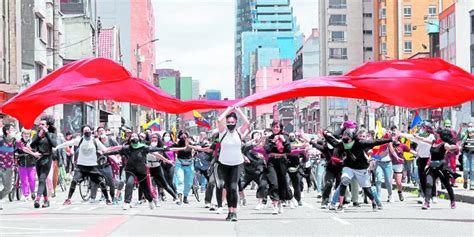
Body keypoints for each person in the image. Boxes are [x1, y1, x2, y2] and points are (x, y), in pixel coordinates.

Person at [324, 126, 392, 213]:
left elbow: (375, 142)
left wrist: (389, 139)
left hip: (361, 168)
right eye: (344, 137)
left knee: (367, 189)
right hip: (348, 167)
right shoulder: (343, 144)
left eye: (347, 138)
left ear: (352, 137)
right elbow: (334, 143)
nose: (345, 140)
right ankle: (340, 205)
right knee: (344, 181)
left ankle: (374, 202)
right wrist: (325, 134)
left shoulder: (360, 143)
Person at [104, 132, 164, 210]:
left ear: (139, 138)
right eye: (132, 136)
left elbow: (154, 150)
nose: (134, 137)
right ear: (130, 139)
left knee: (145, 187)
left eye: (136, 136)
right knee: (129, 183)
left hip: (141, 171)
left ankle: (150, 201)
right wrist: (105, 153)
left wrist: (165, 149)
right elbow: (117, 152)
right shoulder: (127, 148)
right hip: (130, 170)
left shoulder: (143, 147)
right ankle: (127, 202)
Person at [57, 125, 113, 206]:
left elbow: (105, 149)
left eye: (88, 130)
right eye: (85, 130)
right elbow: (67, 143)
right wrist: (56, 147)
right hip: (81, 167)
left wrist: (115, 150)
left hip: (92, 166)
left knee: (101, 182)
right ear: (83, 132)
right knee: (74, 181)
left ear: (91, 131)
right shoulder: (80, 140)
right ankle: (68, 199)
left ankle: (107, 199)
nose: (87, 132)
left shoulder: (95, 141)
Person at [406, 128, 459, 209]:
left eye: (436, 133)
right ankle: (426, 203)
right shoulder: (434, 142)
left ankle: (453, 201)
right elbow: (424, 140)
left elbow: (451, 147)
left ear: (440, 135)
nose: (435, 134)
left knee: (447, 184)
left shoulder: (444, 144)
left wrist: (455, 146)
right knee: (429, 183)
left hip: (441, 167)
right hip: (432, 167)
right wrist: (417, 137)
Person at [214, 106, 249, 221]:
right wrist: (228, 110)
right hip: (224, 163)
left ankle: (234, 212)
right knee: (228, 188)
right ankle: (229, 211)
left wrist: (238, 111)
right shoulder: (222, 132)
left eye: (232, 122)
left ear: (236, 122)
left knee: (234, 187)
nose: (230, 124)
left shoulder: (239, 132)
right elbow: (219, 120)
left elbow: (247, 123)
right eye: (228, 122)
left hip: (237, 163)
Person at [265, 120, 292, 215]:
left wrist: (283, 141)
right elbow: (267, 150)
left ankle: (280, 202)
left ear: (280, 128)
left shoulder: (285, 137)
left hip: (282, 161)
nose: (275, 128)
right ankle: (275, 205)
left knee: (282, 183)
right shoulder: (269, 138)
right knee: (273, 183)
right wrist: (273, 141)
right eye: (274, 127)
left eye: (277, 127)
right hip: (272, 161)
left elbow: (289, 150)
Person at [30, 116, 58, 208]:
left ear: (47, 126)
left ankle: (37, 199)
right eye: (40, 124)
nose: (41, 126)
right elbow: (32, 145)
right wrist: (38, 136)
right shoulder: (37, 134)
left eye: (43, 124)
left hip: (47, 158)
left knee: (42, 179)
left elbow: (54, 144)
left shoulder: (51, 134)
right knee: (42, 180)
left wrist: (46, 134)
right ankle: (46, 200)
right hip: (38, 159)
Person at [16, 129, 37, 200]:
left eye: (28, 134)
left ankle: (33, 191)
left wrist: (31, 150)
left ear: (30, 135)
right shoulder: (19, 142)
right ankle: (26, 195)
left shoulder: (32, 142)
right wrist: (17, 153)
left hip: (32, 163)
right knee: (24, 180)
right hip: (21, 163)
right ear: (22, 134)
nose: (26, 135)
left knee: (32, 179)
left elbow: (36, 150)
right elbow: (16, 150)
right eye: (25, 134)